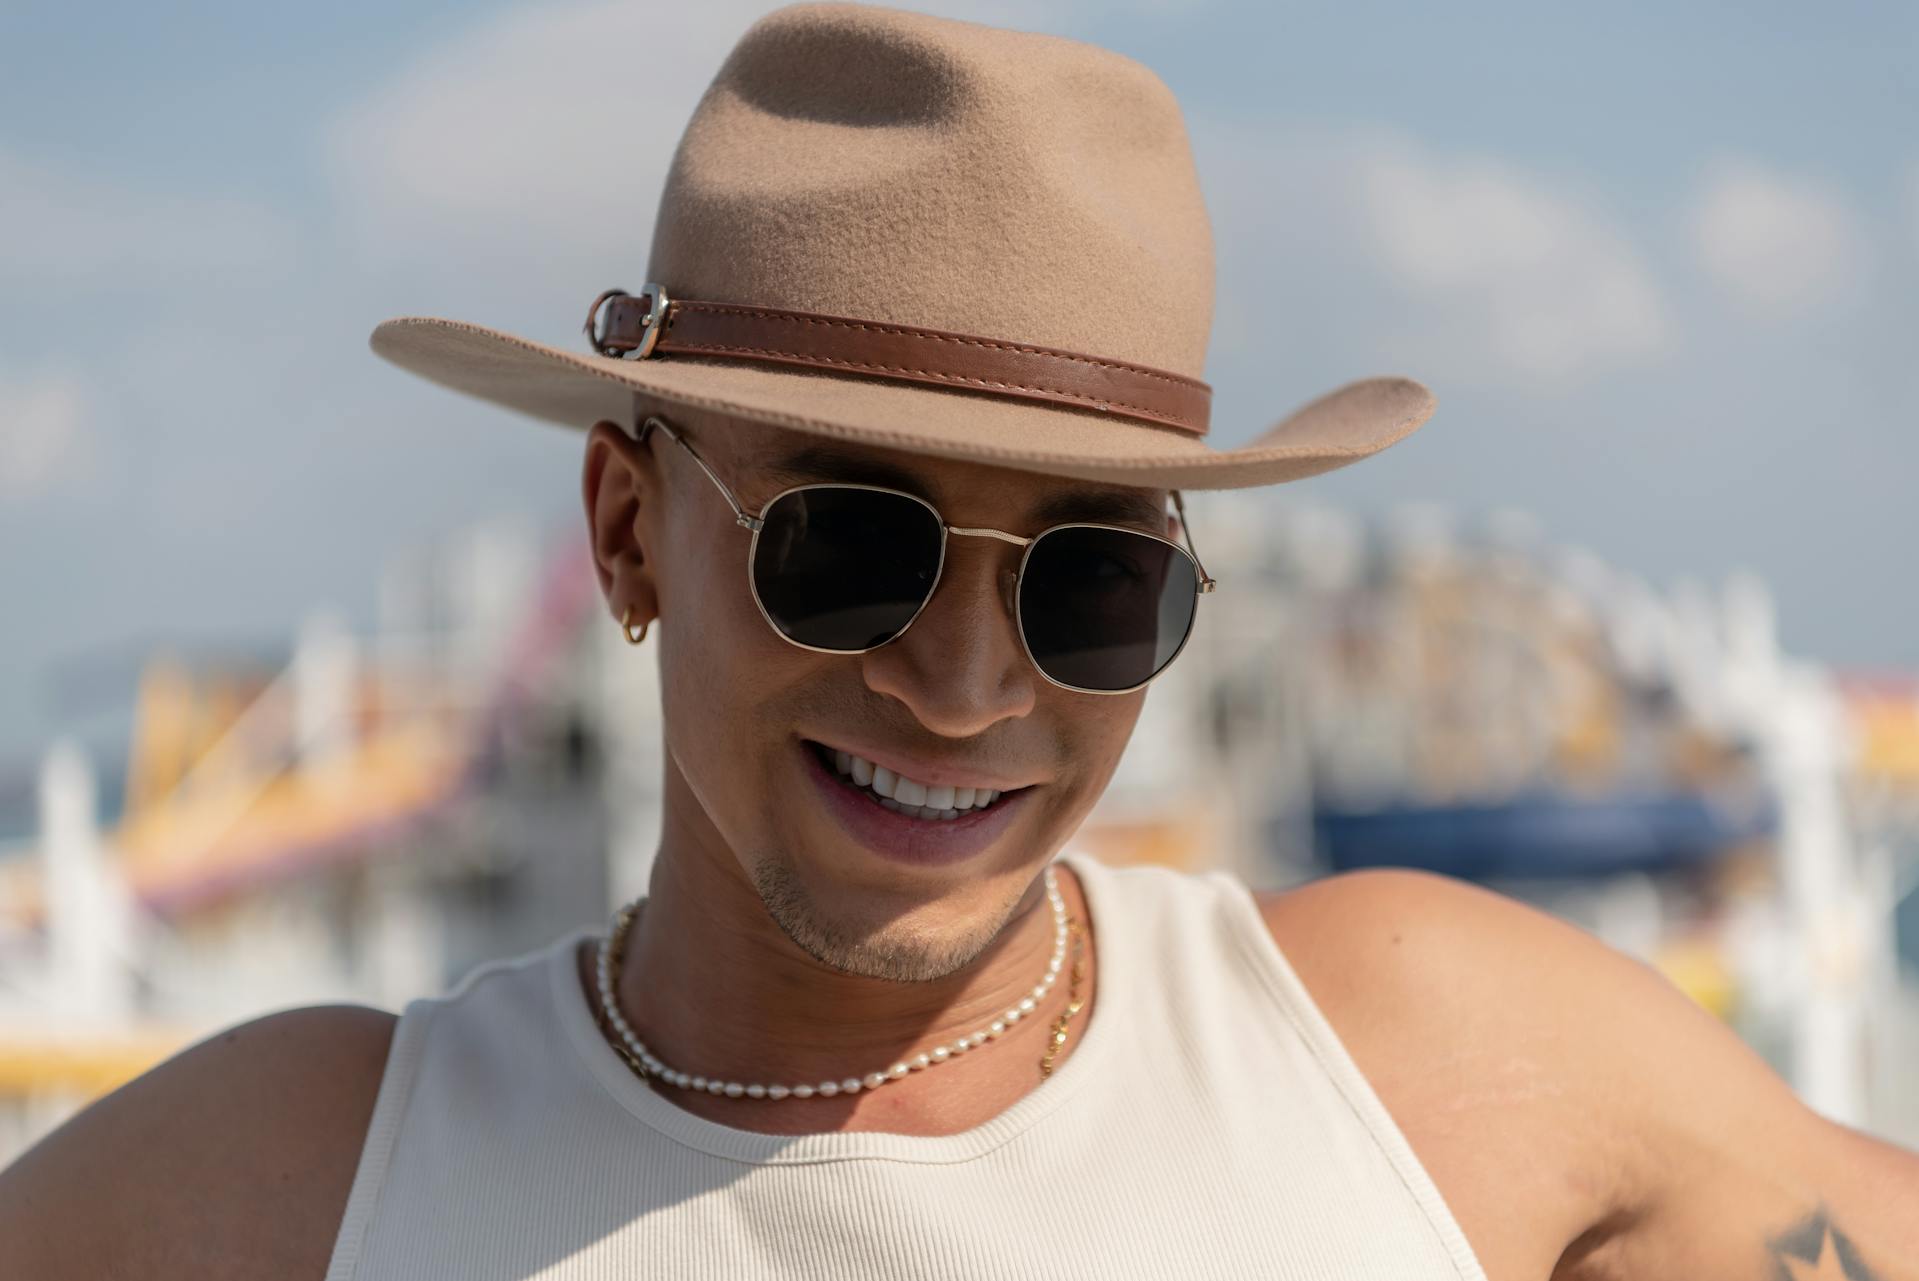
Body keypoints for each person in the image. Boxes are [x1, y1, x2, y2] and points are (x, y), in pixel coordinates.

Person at [4, 4, 1916, 1278]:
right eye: (852, 546)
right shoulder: (283, 1189)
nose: (972, 681)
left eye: (1091, 578)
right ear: (623, 528)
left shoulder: (1430, 1060)